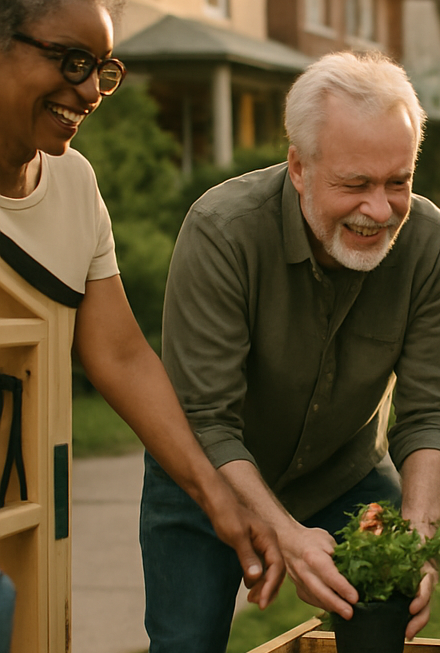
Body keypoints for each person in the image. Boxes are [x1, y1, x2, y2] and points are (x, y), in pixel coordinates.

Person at [139, 50, 440, 652]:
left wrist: (416, 536)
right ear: (298, 166)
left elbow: (432, 412)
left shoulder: (434, 244)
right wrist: (285, 534)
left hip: (346, 472)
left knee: (381, 630)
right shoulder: (221, 230)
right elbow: (206, 419)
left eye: (399, 182)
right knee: (186, 642)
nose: (379, 210)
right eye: (355, 184)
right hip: (206, 470)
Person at [0, 0, 283, 614]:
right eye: (71, 61)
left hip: (25, 521)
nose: (90, 91)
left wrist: (220, 499)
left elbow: (122, 355)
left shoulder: (73, 185)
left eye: (102, 68)